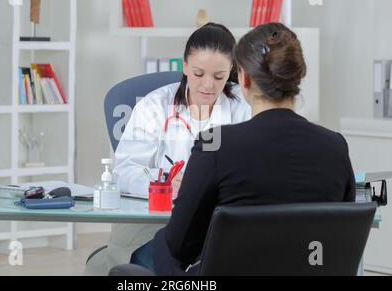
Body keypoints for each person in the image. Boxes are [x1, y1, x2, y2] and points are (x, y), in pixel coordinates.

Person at [130, 22, 356, 275]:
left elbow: (179, 245)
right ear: (298, 77)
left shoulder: (214, 144)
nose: (208, 84)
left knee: (163, 245)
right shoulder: (336, 146)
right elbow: (340, 233)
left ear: (241, 77)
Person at [84, 23, 252, 275]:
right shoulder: (154, 106)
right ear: (184, 65)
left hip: (222, 224)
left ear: (231, 70)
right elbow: (125, 171)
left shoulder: (245, 106)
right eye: (198, 73)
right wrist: (163, 183)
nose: (208, 85)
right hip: (158, 225)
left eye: (218, 76)